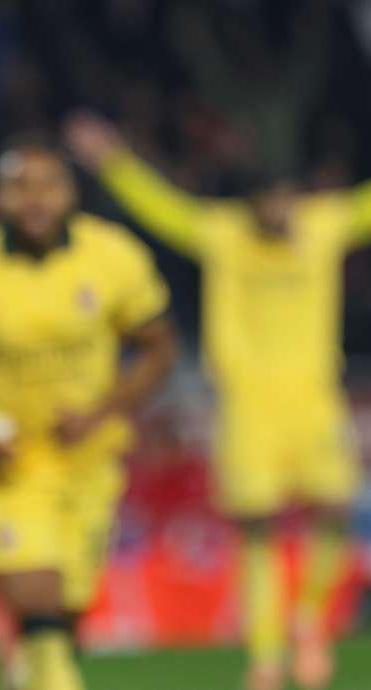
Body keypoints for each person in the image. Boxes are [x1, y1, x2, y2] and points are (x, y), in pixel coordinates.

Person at [65, 113, 369, 690]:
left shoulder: (323, 225)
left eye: (286, 200)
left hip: (315, 401)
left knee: (334, 513)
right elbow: (161, 208)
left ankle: (307, 620)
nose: (278, 213)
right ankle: (266, 656)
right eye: (267, 202)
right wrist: (114, 161)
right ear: (250, 203)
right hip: (248, 408)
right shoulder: (223, 232)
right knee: (257, 530)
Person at [0, 135, 177, 690]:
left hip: (89, 458)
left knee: (64, 613)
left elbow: (158, 347)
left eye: (48, 185)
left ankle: (26, 671)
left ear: (70, 192)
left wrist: (102, 412)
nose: (35, 199)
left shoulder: (114, 255)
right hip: (8, 462)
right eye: (19, 186)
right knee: (38, 595)